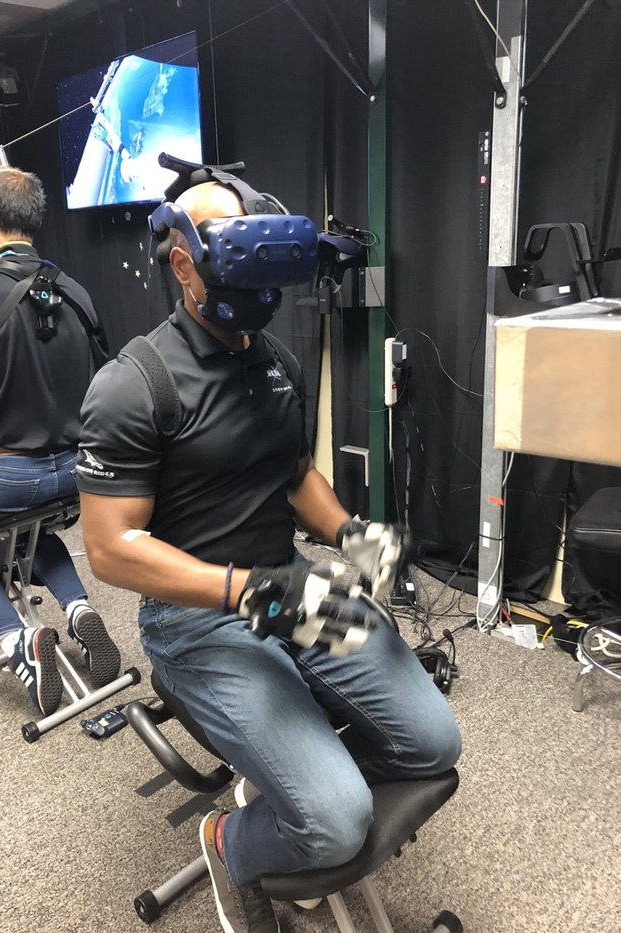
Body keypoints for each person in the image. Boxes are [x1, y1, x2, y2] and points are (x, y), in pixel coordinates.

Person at [76, 178, 461, 933]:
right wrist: (240, 589)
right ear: (182, 264)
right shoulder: (133, 384)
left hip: (290, 586)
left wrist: (352, 537)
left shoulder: (276, 359)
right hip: (194, 619)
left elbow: (294, 474)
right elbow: (110, 549)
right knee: (337, 819)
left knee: (432, 742)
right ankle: (231, 839)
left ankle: (301, 795)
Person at [0, 164, 121, 719]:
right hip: (76, 473)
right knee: (32, 535)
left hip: (3, 474)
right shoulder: (77, 293)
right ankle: (80, 611)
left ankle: (18, 642)